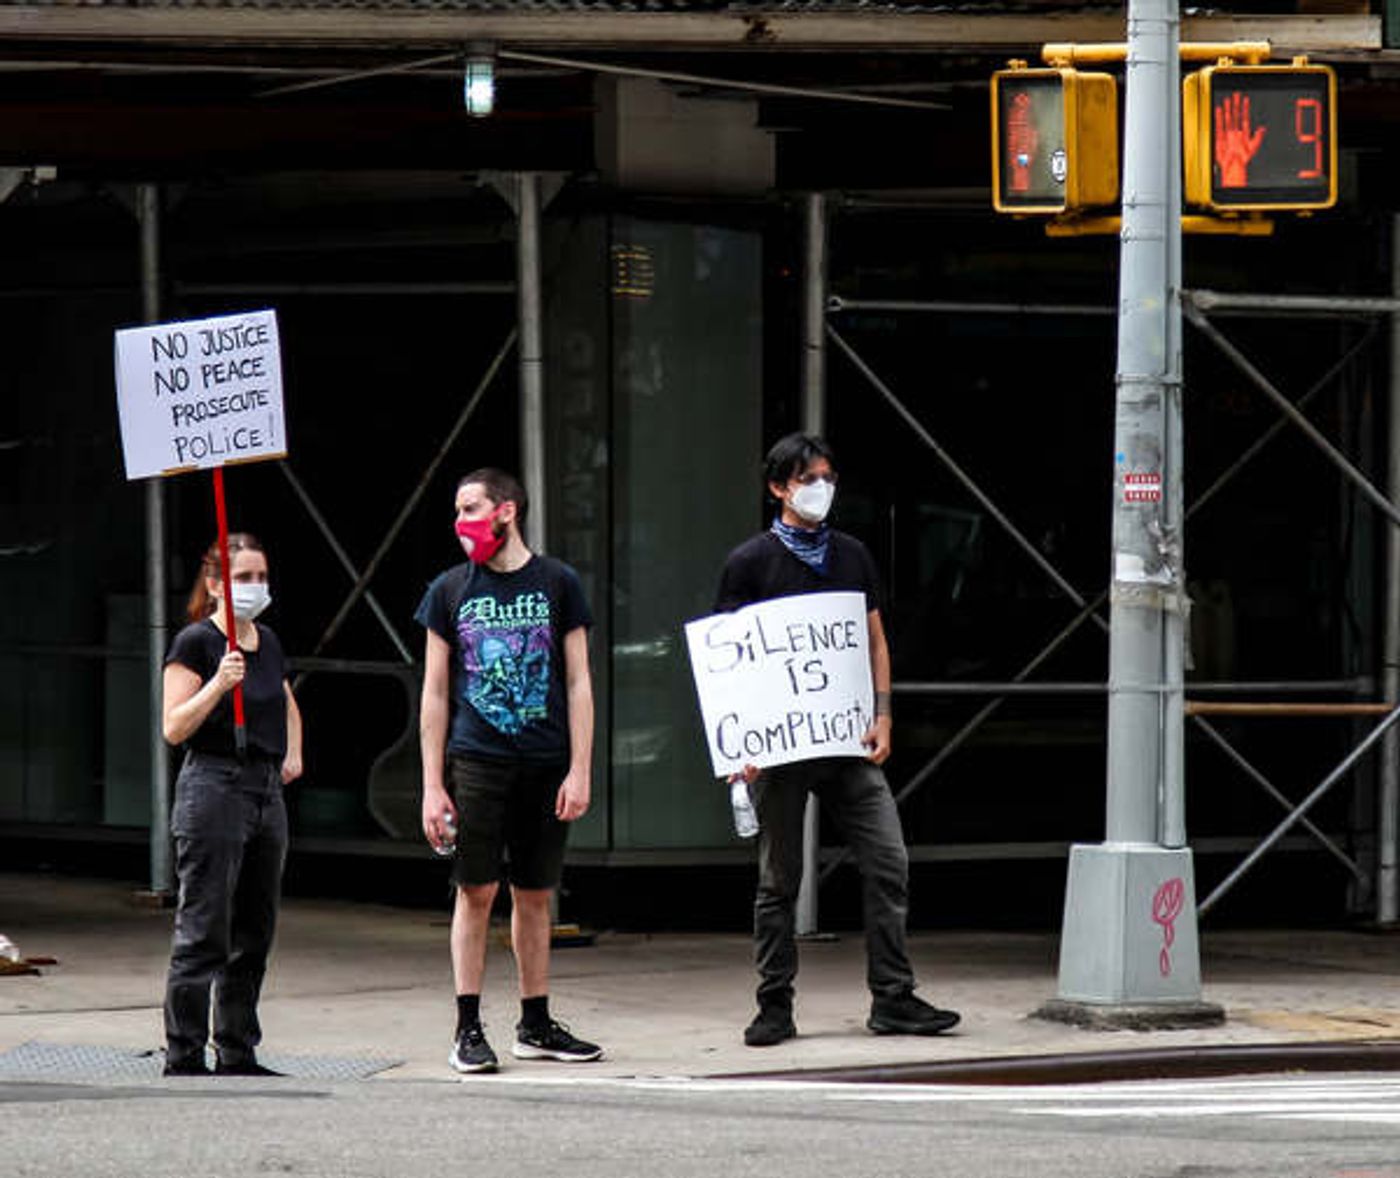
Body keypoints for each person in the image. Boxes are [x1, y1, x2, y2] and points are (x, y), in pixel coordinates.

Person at [714, 433, 962, 1047]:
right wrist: (736, 742)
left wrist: (883, 715)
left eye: (827, 476)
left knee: (888, 860)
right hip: (781, 745)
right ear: (778, 487)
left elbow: (874, 639)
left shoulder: (852, 555)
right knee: (779, 880)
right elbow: (726, 659)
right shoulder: (749, 562)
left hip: (846, 738)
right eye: (807, 478)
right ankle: (774, 1005)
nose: (820, 488)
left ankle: (894, 996)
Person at [416, 468, 602, 1074]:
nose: (460, 521)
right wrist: (431, 784)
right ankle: (467, 1026)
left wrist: (580, 768)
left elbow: (578, 681)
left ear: (507, 511)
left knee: (535, 893)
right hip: (478, 759)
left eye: (471, 507)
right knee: (475, 890)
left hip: (545, 760)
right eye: (456, 510)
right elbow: (436, 692)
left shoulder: (558, 583)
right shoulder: (449, 590)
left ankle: (535, 1021)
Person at [161, 532, 303, 1076]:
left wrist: (292, 751)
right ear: (217, 584)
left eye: (260, 576)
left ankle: (238, 1046)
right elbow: (174, 727)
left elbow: (284, 696)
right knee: (204, 925)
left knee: (255, 926)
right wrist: (218, 685)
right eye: (243, 578)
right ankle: (185, 1050)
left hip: (264, 788)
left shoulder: (266, 639)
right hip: (213, 784)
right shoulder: (197, 643)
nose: (255, 587)